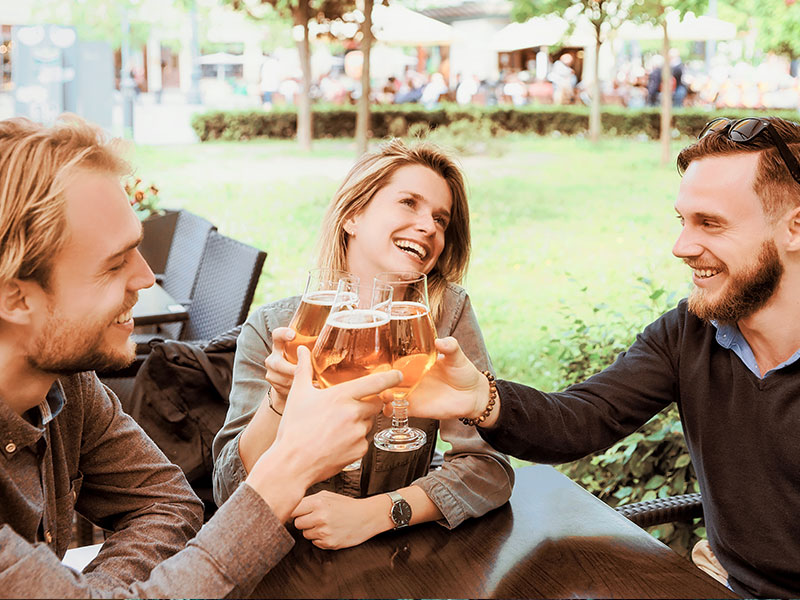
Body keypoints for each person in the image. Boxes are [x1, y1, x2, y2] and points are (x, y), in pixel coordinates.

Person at [0, 115, 401, 597]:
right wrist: (289, 466)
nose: (147, 278)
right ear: (15, 298)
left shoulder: (66, 385)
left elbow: (169, 505)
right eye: (114, 264)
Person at [401, 116, 800, 599]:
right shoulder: (690, 334)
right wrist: (482, 398)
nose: (682, 247)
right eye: (684, 221)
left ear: (794, 227)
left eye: (710, 224)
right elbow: (582, 419)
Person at [212, 139, 514, 550]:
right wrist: (280, 400)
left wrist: (382, 513)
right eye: (409, 202)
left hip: (399, 555)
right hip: (287, 557)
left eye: (441, 219)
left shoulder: (441, 316)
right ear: (352, 215)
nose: (429, 226)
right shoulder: (276, 328)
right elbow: (230, 494)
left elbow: (487, 466)